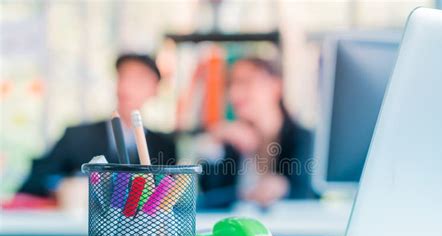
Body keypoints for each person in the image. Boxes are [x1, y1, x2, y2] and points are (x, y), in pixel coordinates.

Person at [15, 53, 176, 200]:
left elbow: (171, 198)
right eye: (124, 76)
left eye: (139, 80)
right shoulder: (76, 137)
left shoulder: (164, 146)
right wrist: (60, 186)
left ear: (155, 89)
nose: (127, 86)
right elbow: (33, 183)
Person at [199, 57, 314, 208]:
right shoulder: (232, 141)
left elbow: (307, 194)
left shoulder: (303, 139)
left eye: (246, 82)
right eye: (230, 84)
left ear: (275, 86)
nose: (234, 93)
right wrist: (214, 141)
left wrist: (283, 188)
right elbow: (209, 199)